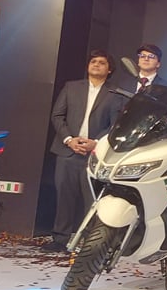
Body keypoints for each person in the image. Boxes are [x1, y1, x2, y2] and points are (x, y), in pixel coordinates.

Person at [44, 50, 123, 253]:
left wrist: (95, 143)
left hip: (96, 155)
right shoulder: (71, 87)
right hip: (68, 151)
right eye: (93, 61)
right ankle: (60, 239)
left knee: (93, 201)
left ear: (110, 69)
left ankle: (90, 243)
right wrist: (69, 140)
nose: (96, 65)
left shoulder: (116, 93)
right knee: (64, 198)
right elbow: (57, 115)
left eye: (102, 62)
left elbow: (115, 124)